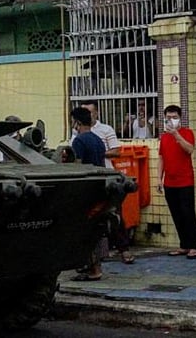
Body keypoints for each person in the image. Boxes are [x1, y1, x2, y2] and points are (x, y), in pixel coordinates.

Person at [79, 100, 134, 264]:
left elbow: (116, 151)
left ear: (96, 113)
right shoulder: (78, 132)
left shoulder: (105, 130)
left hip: (106, 176)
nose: (87, 115)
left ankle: (124, 250)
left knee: (114, 214)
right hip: (88, 177)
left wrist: (97, 153)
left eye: (90, 111)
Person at [157, 105, 196, 259]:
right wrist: (159, 178)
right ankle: (184, 245)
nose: (171, 120)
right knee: (176, 214)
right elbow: (161, 158)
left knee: (188, 213)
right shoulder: (164, 137)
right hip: (170, 181)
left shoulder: (187, 133)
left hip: (185, 181)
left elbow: (189, 149)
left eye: (174, 117)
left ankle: (194, 246)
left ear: (180, 117)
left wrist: (176, 134)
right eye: (168, 117)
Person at [70, 107, 107, 281]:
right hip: (100, 189)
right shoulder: (98, 139)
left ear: (77, 122)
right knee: (95, 230)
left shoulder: (78, 141)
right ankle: (91, 265)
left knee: (85, 231)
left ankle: (94, 269)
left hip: (86, 192)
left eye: (72, 121)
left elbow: (77, 167)